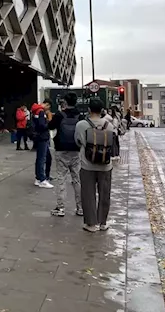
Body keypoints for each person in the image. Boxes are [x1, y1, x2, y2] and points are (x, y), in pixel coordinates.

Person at [75, 98, 114, 233]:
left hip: (87, 165)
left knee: (88, 194)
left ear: (89, 109)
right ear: (102, 110)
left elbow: (78, 141)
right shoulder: (109, 125)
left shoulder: (81, 125)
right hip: (105, 165)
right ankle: (103, 222)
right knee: (104, 193)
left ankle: (91, 224)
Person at [48, 92, 83, 217]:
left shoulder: (59, 115)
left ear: (65, 102)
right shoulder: (80, 115)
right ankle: (80, 208)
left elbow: (50, 126)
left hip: (61, 150)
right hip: (76, 150)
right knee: (77, 180)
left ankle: (61, 207)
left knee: (61, 179)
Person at [32, 101, 53, 189]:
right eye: (48, 106)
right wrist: (49, 124)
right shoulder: (41, 111)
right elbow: (42, 125)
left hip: (39, 137)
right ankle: (42, 179)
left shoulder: (36, 110)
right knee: (42, 158)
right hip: (43, 137)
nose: (47, 109)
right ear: (46, 104)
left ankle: (38, 178)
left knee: (42, 157)